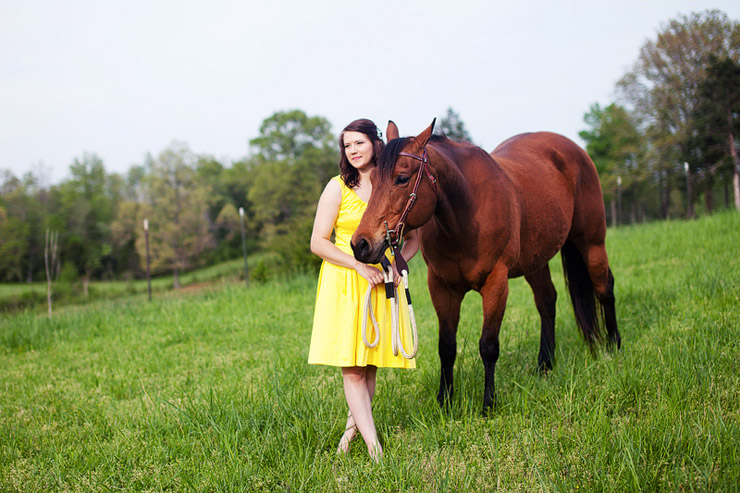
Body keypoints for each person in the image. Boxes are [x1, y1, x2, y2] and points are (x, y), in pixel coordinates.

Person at [308, 118, 419, 462]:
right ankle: (375, 450)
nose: (353, 151)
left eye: (359, 143)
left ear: (375, 143)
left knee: (368, 366)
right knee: (352, 368)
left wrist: (396, 266)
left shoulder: (393, 185)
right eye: (347, 145)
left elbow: (415, 240)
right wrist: (358, 265)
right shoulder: (337, 187)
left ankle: (349, 434)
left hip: (381, 284)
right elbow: (317, 243)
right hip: (345, 282)